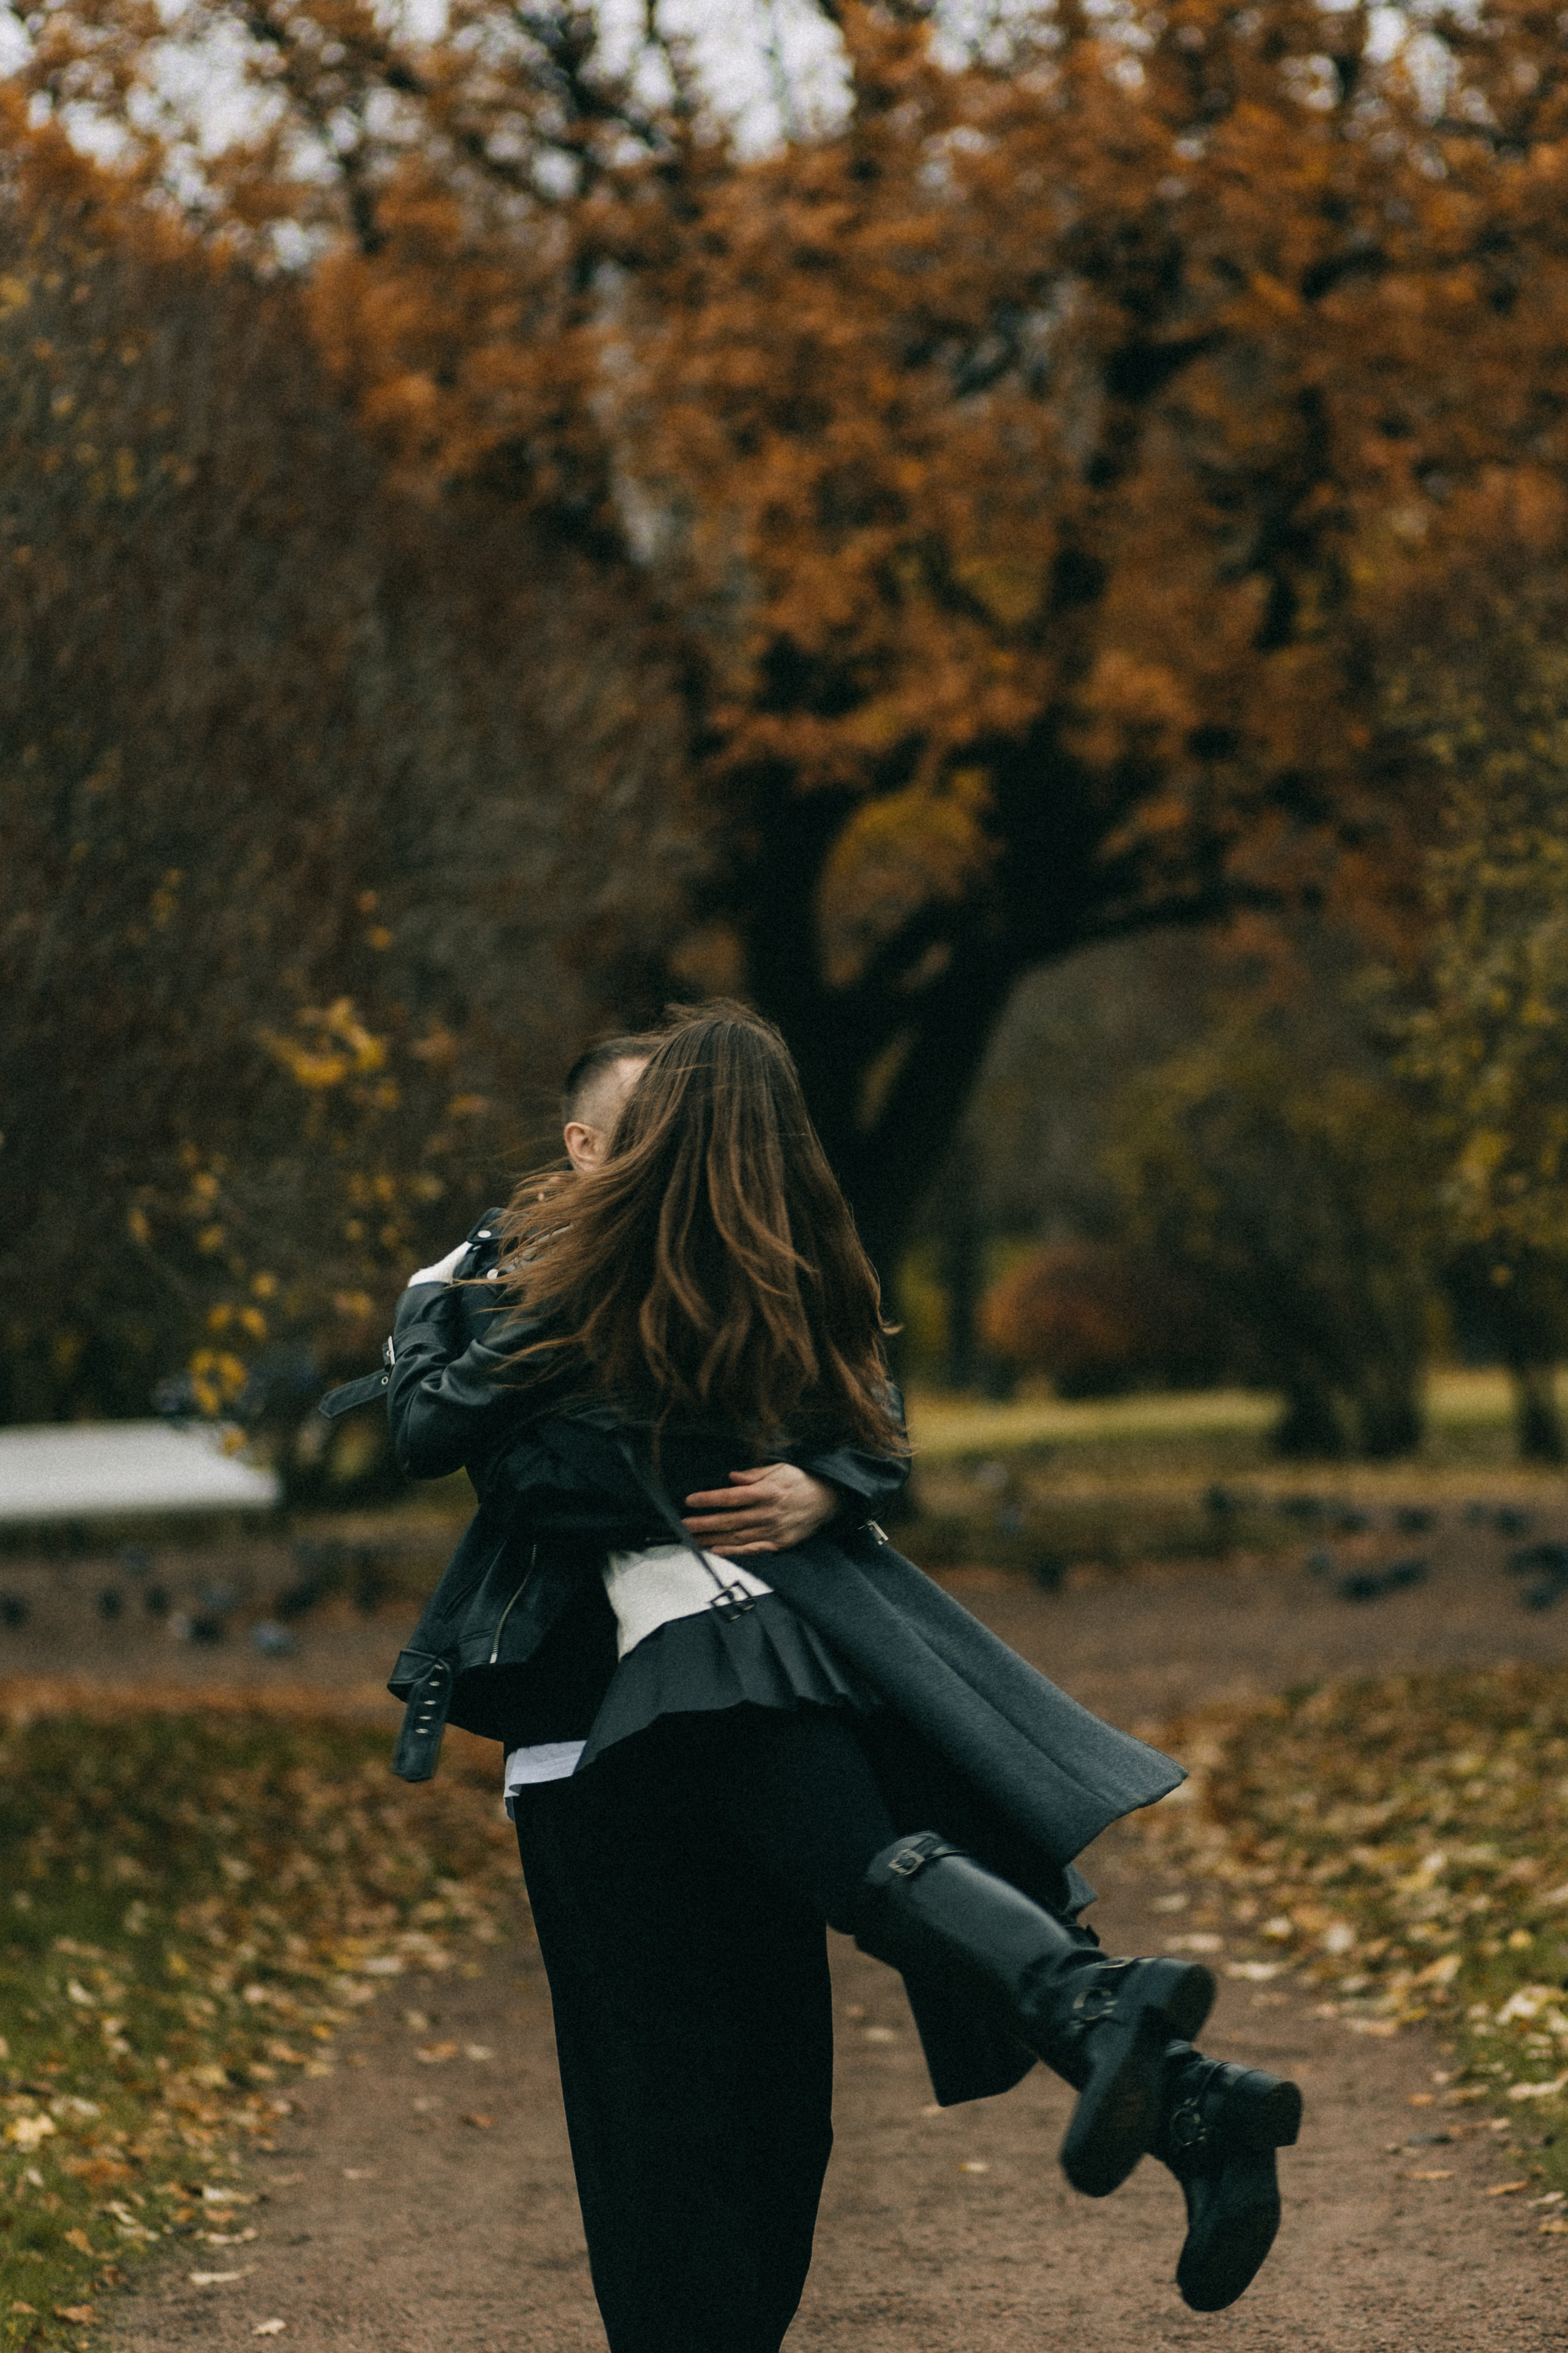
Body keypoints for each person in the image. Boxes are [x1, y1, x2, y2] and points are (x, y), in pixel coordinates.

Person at [347, 1006, 1300, 2351]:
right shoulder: (514, 1271)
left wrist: (821, 1479)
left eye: (659, 1135)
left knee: (759, 2094)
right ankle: (1153, 2060)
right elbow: (486, 1454)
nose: (639, 1162)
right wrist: (540, 1296)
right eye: (617, 1138)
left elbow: (845, 1419)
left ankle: (1138, 2047)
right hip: (604, 1717)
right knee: (675, 2096)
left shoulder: (742, 1268)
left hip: (739, 1669)